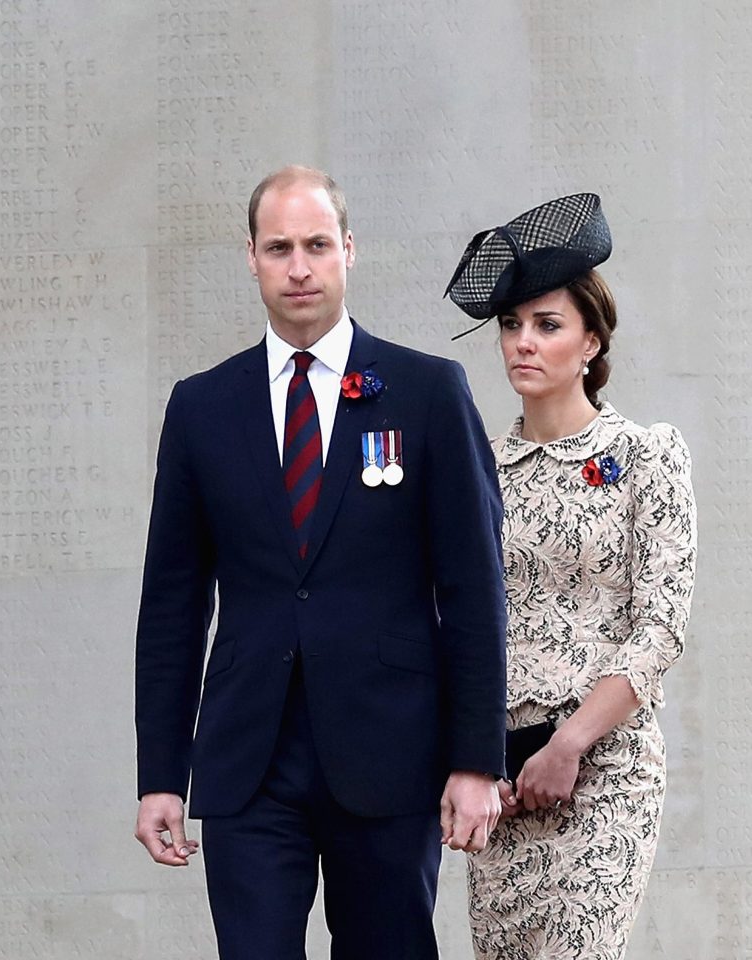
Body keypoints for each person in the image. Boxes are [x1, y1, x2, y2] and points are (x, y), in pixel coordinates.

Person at [134, 165, 508, 960]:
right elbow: (171, 605)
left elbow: (474, 590)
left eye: (315, 245)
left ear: (348, 251)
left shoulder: (428, 391)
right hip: (248, 760)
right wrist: (161, 774)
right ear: (251, 258)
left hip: (390, 755)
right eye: (279, 248)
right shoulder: (201, 407)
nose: (298, 267)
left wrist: (476, 761)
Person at [445, 193, 697, 960]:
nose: (524, 342)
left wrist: (571, 744)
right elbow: (452, 620)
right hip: (504, 777)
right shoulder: (478, 467)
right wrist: (475, 762)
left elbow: (662, 625)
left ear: (591, 341)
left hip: (606, 767)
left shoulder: (649, 455)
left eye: (547, 325)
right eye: (512, 325)